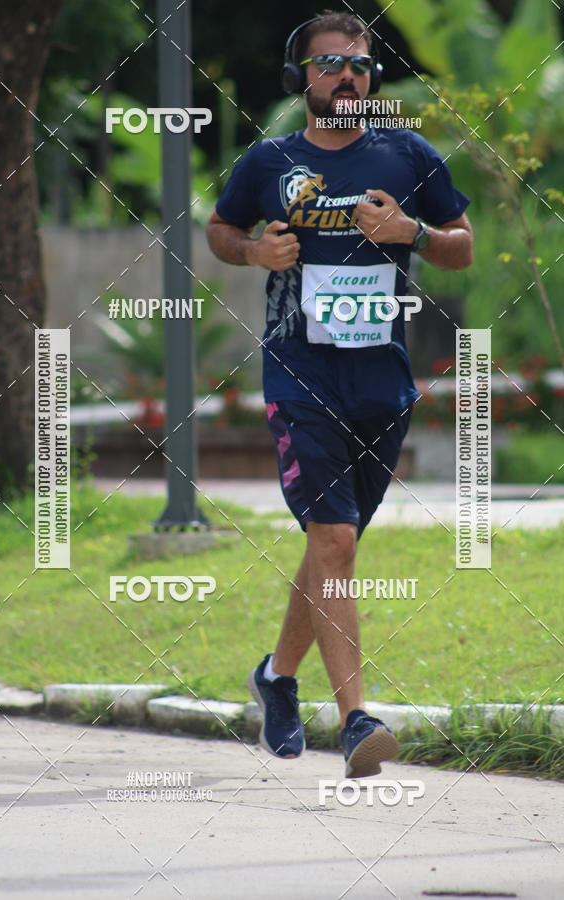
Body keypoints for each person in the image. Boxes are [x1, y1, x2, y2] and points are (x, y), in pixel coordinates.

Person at [206, 11, 473, 778]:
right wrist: (256, 249)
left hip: (383, 381)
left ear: (372, 77)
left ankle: (277, 677)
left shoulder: (407, 154)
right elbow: (222, 231)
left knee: (335, 541)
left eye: (356, 64)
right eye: (329, 65)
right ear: (303, 79)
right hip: (300, 373)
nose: (345, 76)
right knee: (336, 541)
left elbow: (462, 247)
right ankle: (357, 720)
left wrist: (412, 235)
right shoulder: (270, 160)